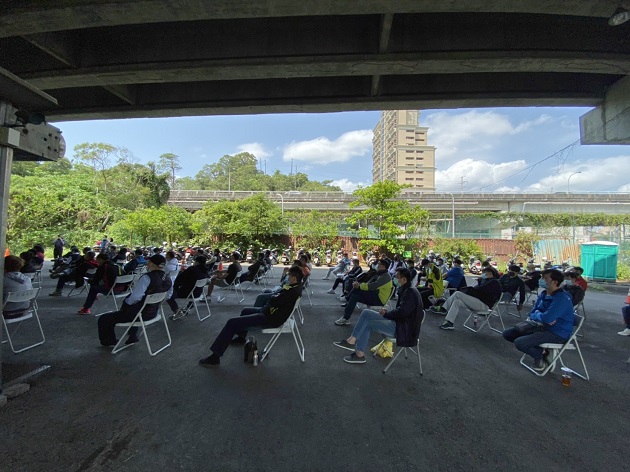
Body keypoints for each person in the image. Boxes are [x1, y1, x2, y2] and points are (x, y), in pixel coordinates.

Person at [198, 266, 303, 367]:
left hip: (269, 318)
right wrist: (275, 297)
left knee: (231, 323)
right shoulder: (295, 287)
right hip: (269, 313)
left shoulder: (292, 291)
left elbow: (274, 300)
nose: (288, 277)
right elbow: (275, 299)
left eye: (289, 276)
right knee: (245, 311)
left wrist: (274, 297)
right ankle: (241, 338)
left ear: (294, 278)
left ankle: (215, 357)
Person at [333, 267, 423, 364]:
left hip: (404, 330)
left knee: (367, 322)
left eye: (397, 277)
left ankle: (358, 352)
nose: (394, 279)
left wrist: (387, 313)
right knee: (366, 313)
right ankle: (353, 343)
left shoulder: (410, 292)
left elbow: (402, 312)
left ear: (404, 279)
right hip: (401, 324)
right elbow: (402, 311)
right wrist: (388, 312)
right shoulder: (407, 289)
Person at [502, 269, 575, 371]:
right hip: (541, 326)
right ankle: (542, 351)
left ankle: (540, 356)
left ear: (554, 282)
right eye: (541, 277)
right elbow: (532, 313)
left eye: (545, 278)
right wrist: (540, 315)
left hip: (557, 332)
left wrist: (541, 316)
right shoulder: (544, 294)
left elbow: (547, 318)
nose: (541, 280)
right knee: (508, 334)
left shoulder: (562, 298)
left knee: (520, 342)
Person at [97, 254, 172, 347]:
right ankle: (133, 335)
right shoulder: (168, 278)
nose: (147, 263)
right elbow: (168, 295)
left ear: (152, 264)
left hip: (140, 314)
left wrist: (127, 301)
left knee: (104, 318)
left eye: (149, 262)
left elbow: (136, 297)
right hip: (153, 312)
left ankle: (109, 342)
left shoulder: (147, 278)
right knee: (136, 307)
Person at [437, 266, 502, 330]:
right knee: (457, 302)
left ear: (490, 273)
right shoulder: (488, 281)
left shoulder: (494, 282)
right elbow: (478, 290)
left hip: (484, 305)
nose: (483, 274)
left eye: (485, 273)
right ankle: (449, 322)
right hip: (479, 302)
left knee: (458, 294)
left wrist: (479, 282)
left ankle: (443, 308)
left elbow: (480, 290)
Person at [334, 258, 393, 326]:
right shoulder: (382, 274)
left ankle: (346, 303)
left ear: (383, 266)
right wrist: (360, 285)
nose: (377, 265)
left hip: (379, 299)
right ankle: (345, 317)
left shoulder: (385, 277)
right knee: (355, 296)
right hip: (376, 295)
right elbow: (370, 283)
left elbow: (372, 286)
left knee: (356, 291)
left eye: (378, 264)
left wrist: (359, 286)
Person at [167, 255, 210, 320]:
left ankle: (177, 311)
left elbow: (178, 279)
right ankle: (189, 306)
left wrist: (174, 289)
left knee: (168, 295)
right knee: (192, 288)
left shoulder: (192, 269)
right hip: (198, 293)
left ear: (197, 262)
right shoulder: (206, 271)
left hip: (188, 293)